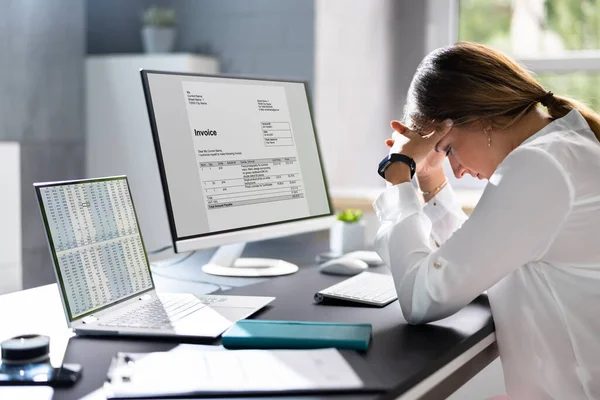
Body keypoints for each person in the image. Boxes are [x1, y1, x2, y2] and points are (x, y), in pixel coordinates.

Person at [374, 41, 600, 399]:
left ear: (481, 121)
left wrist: (398, 174)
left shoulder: (540, 166)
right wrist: (431, 179)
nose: (459, 171)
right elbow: (480, 259)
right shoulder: (561, 149)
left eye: (448, 149)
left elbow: (423, 298)